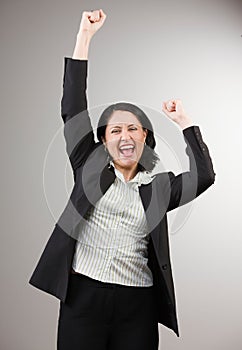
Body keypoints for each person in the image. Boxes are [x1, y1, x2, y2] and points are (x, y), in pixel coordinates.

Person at [28, 9, 216, 350]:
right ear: (104, 140)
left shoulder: (159, 188)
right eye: (116, 129)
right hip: (82, 299)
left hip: (137, 306)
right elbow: (73, 107)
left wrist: (184, 122)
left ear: (145, 137)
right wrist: (84, 37)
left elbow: (204, 176)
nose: (125, 135)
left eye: (133, 128)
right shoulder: (88, 167)